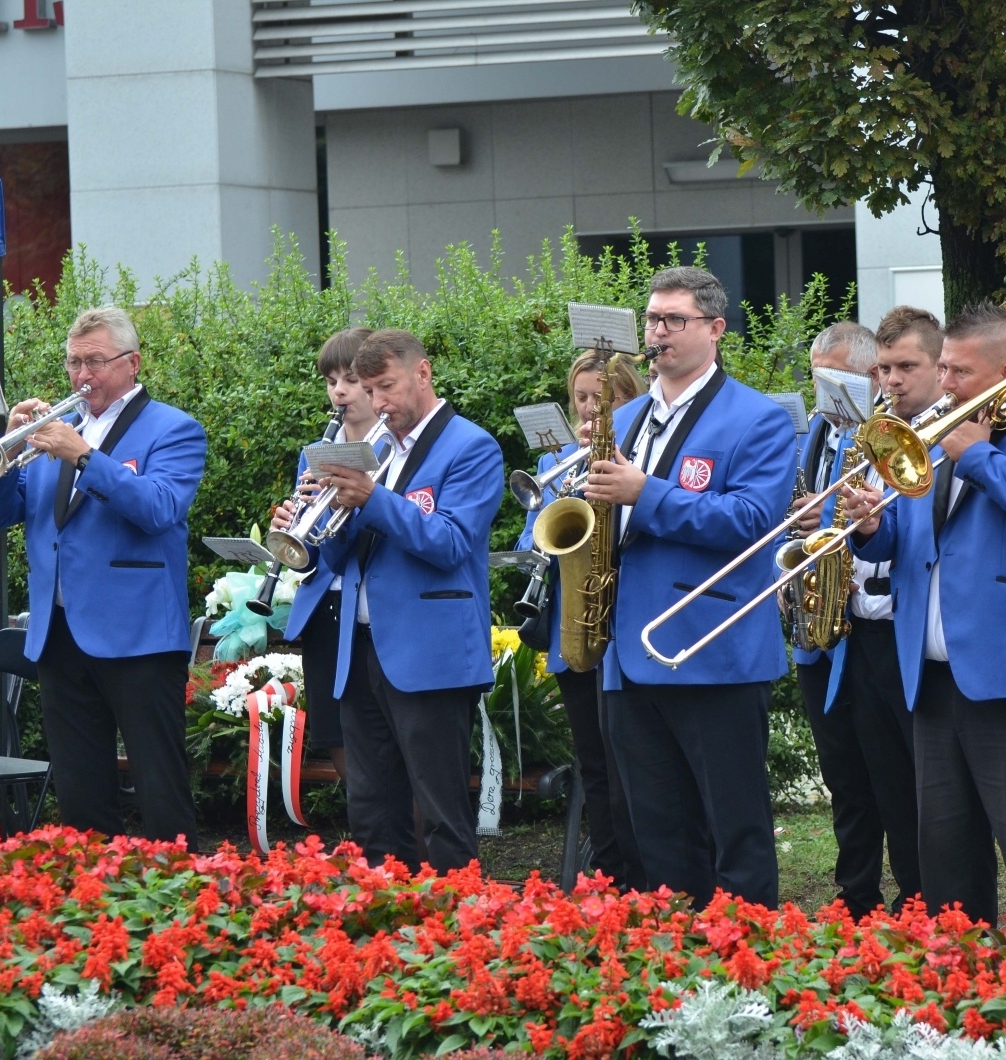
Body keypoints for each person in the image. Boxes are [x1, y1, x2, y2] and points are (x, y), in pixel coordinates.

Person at [842, 301, 1006, 927]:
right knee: (947, 864)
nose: (947, 383)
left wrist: (981, 455)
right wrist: (872, 528)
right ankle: (961, 994)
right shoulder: (932, 437)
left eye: (959, 371)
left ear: (1005, 372)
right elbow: (910, 544)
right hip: (932, 681)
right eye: (946, 370)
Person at [585, 265, 796, 907]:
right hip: (630, 650)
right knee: (656, 829)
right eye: (652, 319)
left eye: (675, 320)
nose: (659, 333)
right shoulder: (625, 419)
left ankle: (749, 956)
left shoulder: (758, 419)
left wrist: (645, 493)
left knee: (736, 830)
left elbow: (754, 523)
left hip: (713, 647)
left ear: (716, 329)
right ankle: (677, 956)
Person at [0, 306, 205, 845]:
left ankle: (181, 904)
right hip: (61, 633)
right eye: (74, 363)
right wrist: (7, 449)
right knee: (81, 793)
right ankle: (97, 902)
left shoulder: (174, 429)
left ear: (131, 363)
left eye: (96, 362)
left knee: (160, 787)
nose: (83, 376)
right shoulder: (52, 433)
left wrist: (85, 457)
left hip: (140, 635)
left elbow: (159, 509)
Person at [314, 328, 505, 872]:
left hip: (431, 653)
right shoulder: (377, 449)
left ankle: (456, 929)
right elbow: (343, 558)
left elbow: (449, 542)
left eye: (386, 387)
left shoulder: (470, 446)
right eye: (369, 391)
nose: (378, 403)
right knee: (372, 806)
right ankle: (387, 925)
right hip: (363, 646)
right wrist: (317, 527)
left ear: (422, 373)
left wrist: (372, 498)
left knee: (441, 809)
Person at [819, 307, 947, 916]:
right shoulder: (863, 437)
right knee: (881, 778)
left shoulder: (949, 437)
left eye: (905, 368)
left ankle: (929, 897)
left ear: (939, 369)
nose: (891, 381)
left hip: (911, 629)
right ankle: (900, 899)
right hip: (862, 630)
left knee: (925, 783)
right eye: (885, 369)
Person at [516, 349, 647, 888]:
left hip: (623, 623)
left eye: (603, 399)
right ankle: (610, 875)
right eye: (582, 400)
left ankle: (645, 873)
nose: (590, 412)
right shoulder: (558, 462)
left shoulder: (637, 457)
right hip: (575, 625)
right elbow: (532, 538)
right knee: (593, 763)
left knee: (631, 765)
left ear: (628, 401)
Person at [787, 320, 889, 918]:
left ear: (871, 376)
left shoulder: (888, 433)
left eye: (834, 377)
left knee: (886, 772)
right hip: (820, 626)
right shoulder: (820, 432)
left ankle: (913, 894)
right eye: (817, 376)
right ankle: (856, 893)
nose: (823, 391)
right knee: (843, 776)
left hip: (874, 623)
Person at [275, 326, 378, 786]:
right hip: (326, 610)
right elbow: (315, 554)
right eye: (331, 380)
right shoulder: (315, 451)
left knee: (386, 753)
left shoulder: (390, 449)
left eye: (351, 379)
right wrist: (293, 529)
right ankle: (368, 842)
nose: (339, 390)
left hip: (372, 609)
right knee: (334, 735)